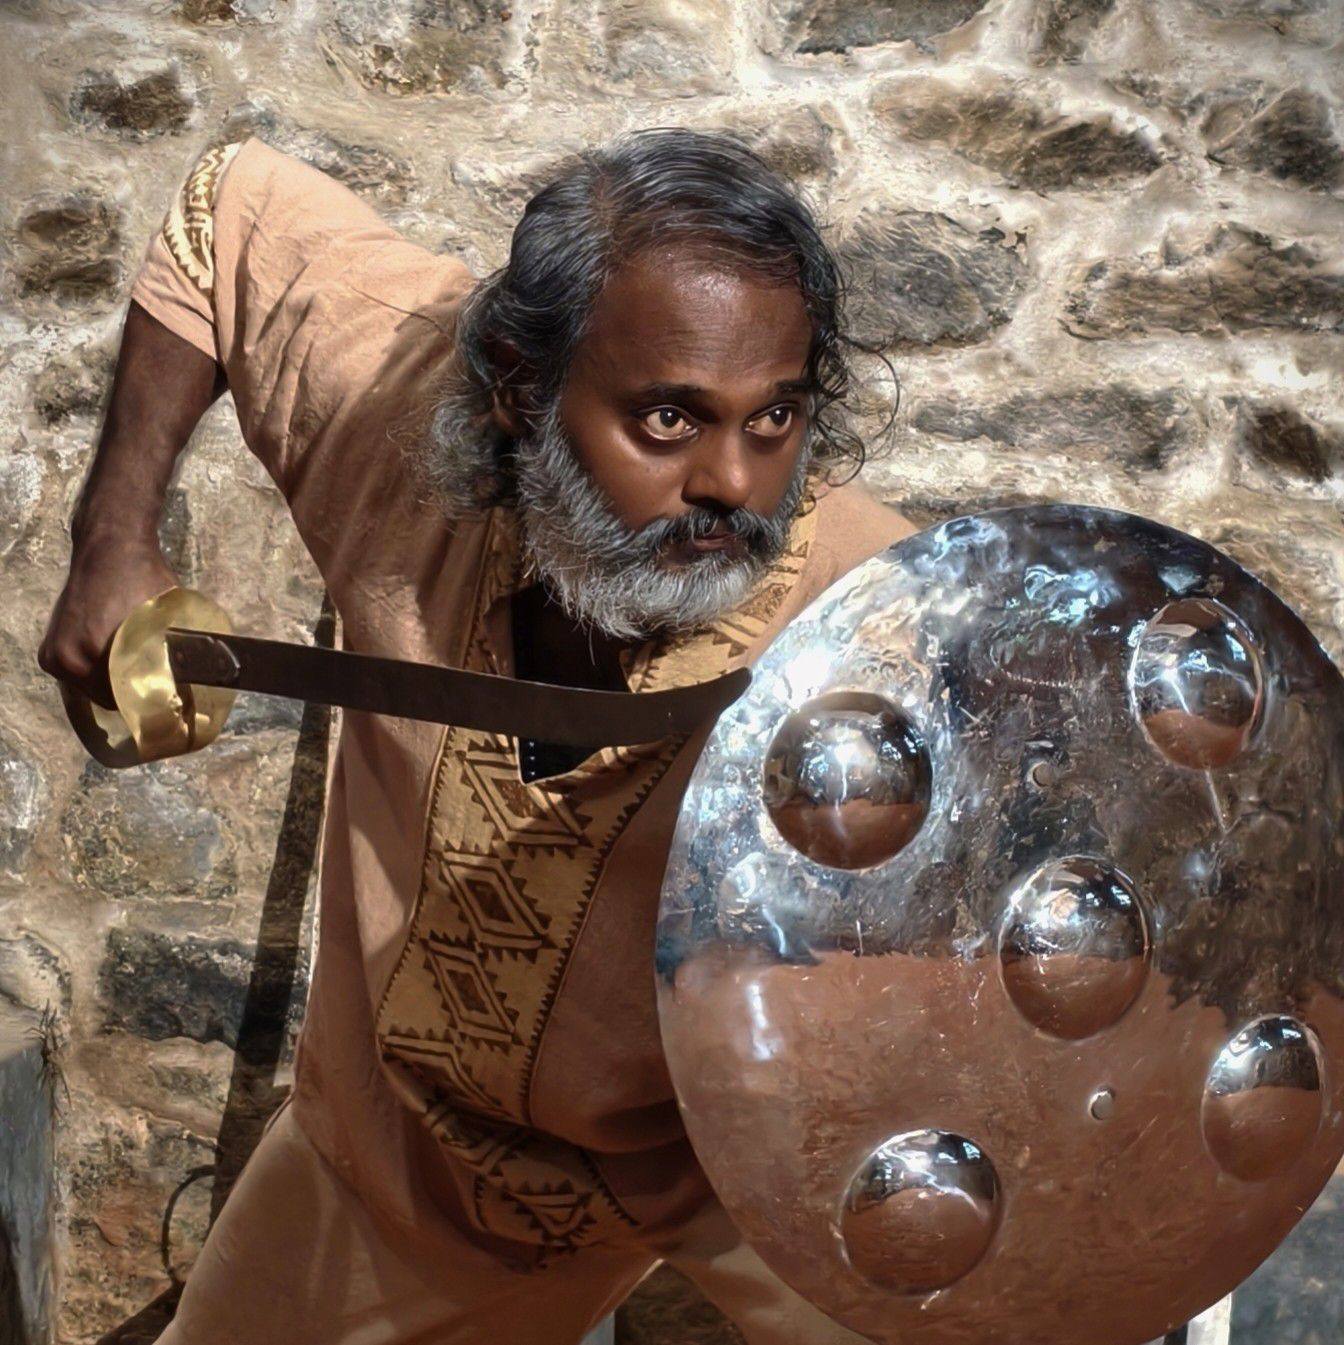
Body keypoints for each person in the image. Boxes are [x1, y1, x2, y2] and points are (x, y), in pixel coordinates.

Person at [39, 127, 914, 1344]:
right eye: (669, 418)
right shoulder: (397, 406)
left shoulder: (882, 621)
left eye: (776, 417)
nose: (732, 482)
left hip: (756, 1163)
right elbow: (223, 215)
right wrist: (113, 538)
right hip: (412, 1155)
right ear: (517, 385)